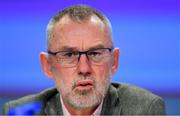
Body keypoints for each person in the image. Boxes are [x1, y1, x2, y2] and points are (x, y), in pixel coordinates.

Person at [3, 4, 165, 115]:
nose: (84, 69)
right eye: (69, 55)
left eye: (95, 53)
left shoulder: (145, 109)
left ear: (114, 61)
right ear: (47, 65)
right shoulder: (20, 112)